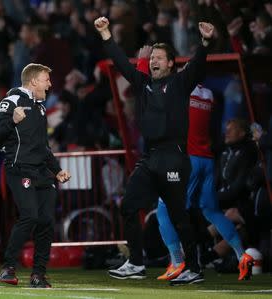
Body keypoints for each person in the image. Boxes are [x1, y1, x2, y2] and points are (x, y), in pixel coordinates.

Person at [94, 16, 213, 285]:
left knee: (178, 216)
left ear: (171, 63)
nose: (154, 61)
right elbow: (122, 64)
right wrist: (105, 35)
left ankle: (193, 267)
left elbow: (197, 65)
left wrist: (205, 42)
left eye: (160, 57)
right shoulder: (143, 84)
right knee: (128, 206)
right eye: (152, 57)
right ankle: (136, 262)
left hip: (174, 156)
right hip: (150, 157)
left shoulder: (181, 83)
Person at [155, 85, 254, 281]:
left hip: (188, 160)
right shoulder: (208, 94)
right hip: (206, 160)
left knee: (164, 209)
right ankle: (242, 255)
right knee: (211, 211)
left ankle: (179, 263)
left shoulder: (178, 89)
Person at [0, 63, 71, 288]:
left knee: (47, 220)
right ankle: (8, 267)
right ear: (33, 81)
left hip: (41, 171)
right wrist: (12, 121)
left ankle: (38, 274)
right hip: (19, 169)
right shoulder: (12, 101)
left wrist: (57, 170)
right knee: (30, 216)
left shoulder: (40, 106)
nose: (50, 84)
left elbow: (43, 146)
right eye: (46, 79)